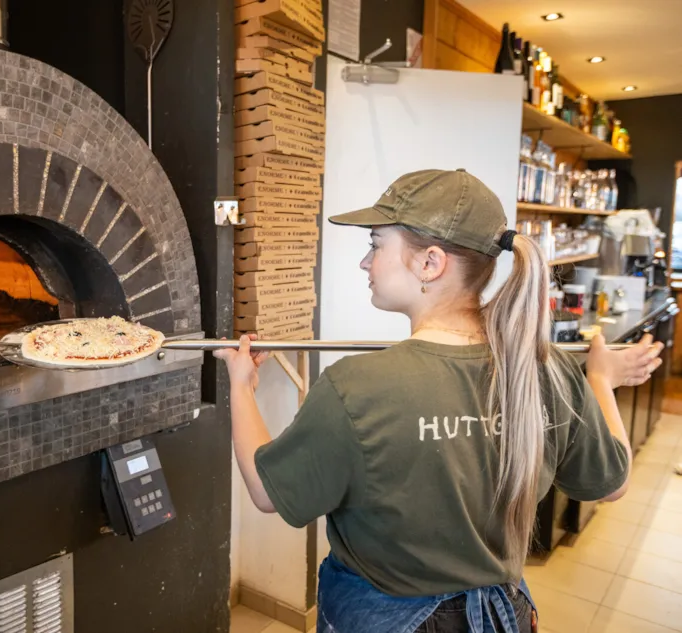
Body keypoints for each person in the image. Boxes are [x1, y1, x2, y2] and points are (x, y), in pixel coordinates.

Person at [216, 169, 664, 633]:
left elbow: (267, 493)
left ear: (430, 263)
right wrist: (601, 382)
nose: (365, 264)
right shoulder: (550, 371)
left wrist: (241, 387)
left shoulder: (357, 387)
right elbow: (612, 483)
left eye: (375, 245)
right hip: (503, 616)